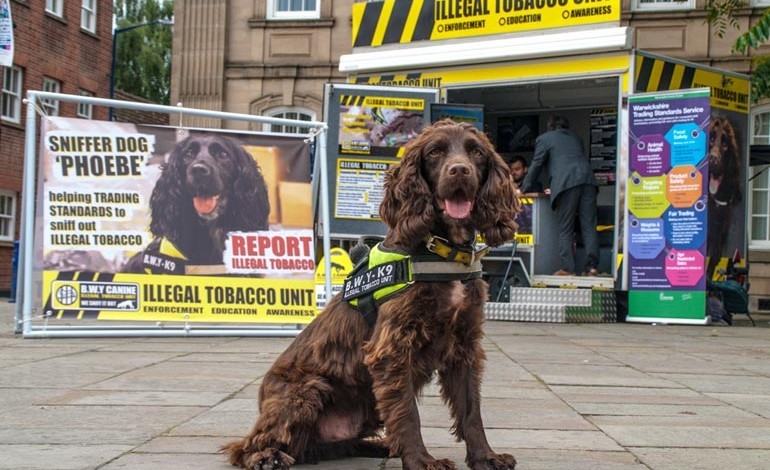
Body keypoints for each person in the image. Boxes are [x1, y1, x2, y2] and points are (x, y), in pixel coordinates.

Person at [520, 115, 599, 276]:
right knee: (589, 225)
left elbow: (536, 165)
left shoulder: (544, 139)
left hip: (566, 184)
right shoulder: (576, 138)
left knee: (566, 227)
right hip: (588, 181)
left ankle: (568, 269)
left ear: (550, 126)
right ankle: (591, 267)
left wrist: (523, 189)